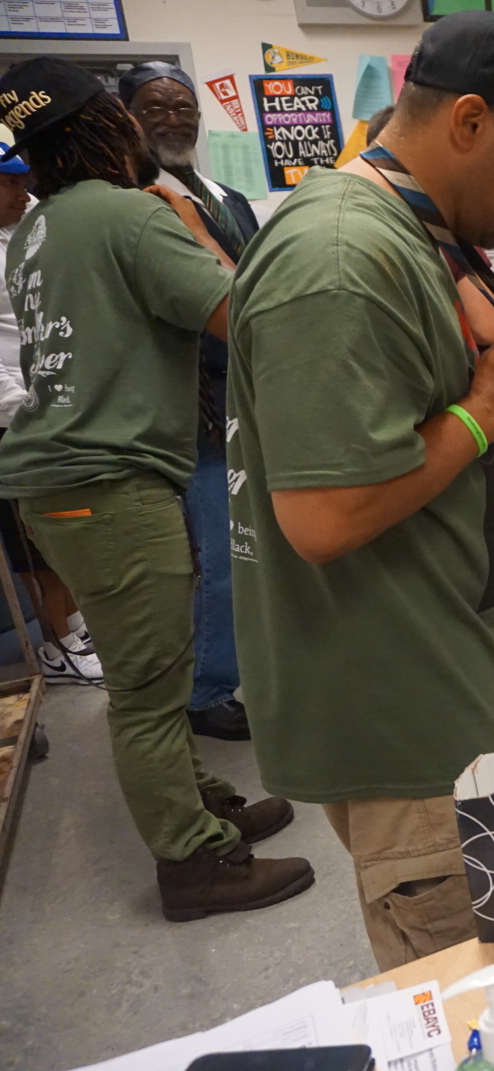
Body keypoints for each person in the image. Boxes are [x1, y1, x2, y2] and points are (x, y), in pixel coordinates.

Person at [227, 12, 494, 970]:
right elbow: (324, 516)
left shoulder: (404, 231)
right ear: (469, 122)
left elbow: (402, 419)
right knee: (476, 989)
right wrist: (488, 408)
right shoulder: (343, 257)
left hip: (437, 675)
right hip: (403, 717)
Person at [0, 57, 312, 920]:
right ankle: (194, 864)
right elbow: (243, 314)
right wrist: (187, 218)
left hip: (61, 482)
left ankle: (201, 804)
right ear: (105, 125)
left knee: (155, 671)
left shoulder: (37, 225)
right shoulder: (128, 214)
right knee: (147, 689)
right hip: (106, 479)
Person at [121, 61, 260, 743]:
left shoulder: (226, 197)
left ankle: (246, 670)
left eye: (183, 108)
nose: (173, 120)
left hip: (250, 390)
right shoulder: (135, 202)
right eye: (155, 108)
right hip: (196, 401)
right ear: (128, 119)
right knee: (222, 553)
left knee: (256, 545)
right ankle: (206, 692)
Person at [0, 154, 102, 686]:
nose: (23, 193)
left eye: (24, 181)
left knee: (64, 525)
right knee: (33, 540)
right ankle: (57, 647)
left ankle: (77, 626)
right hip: (11, 419)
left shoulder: (24, 229)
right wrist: (22, 409)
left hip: (48, 403)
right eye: (9, 184)